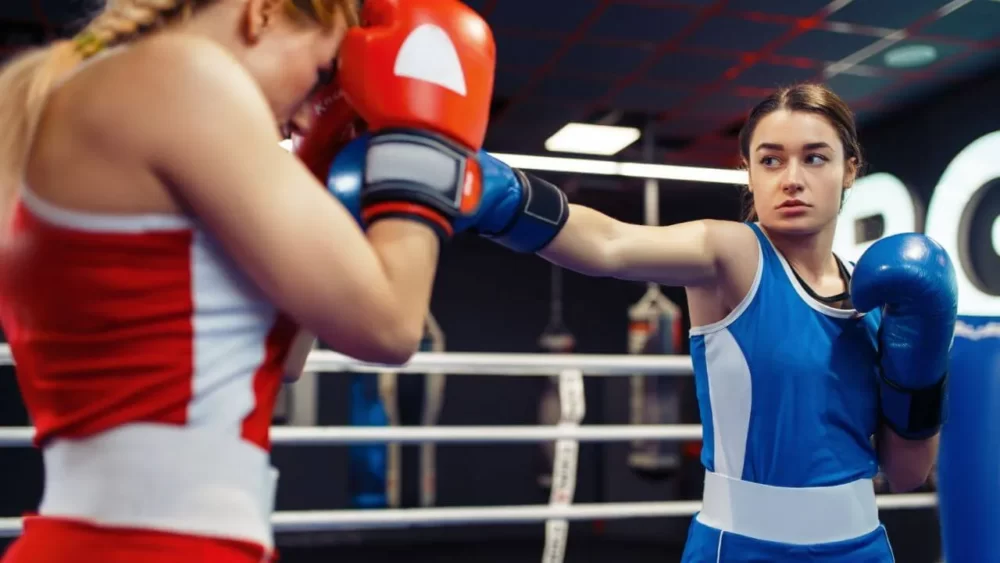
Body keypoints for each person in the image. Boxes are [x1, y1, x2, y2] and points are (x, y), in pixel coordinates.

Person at [0, 0, 498, 561]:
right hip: (154, 548)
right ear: (261, 13)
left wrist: (315, 168)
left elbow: (282, 361)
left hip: (129, 541)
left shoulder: (91, 96)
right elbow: (390, 326)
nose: (311, 115)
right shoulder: (178, 76)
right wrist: (420, 141)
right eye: (322, 74)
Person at [438, 83, 957, 561]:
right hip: (745, 547)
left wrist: (923, 360)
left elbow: (908, 474)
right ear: (749, 173)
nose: (792, 179)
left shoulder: (877, 297)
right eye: (771, 160)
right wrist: (497, 194)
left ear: (849, 168)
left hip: (861, 547)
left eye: (814, 158)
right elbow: (608, 244)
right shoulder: (732, 256)